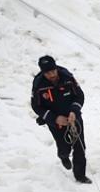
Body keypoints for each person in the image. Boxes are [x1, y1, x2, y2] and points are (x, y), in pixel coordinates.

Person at [30, 55, 90, 184]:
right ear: (42, 72)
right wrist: (54, 118)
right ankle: (63, 155)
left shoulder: (67, 77)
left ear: (56, 68)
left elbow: (79, 96)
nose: (51, 74)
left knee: (79, 146)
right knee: (64, 146)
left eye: (53, 71)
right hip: (56, 121)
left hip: (73, 117)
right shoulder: (38, 84)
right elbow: (36, 106)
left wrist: (74, 110)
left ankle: (80, 176)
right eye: (47, 73)